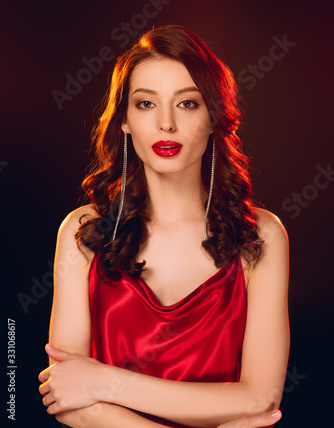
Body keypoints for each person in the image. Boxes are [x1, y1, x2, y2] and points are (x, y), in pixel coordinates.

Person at [38, 25, 290, 428]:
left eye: (187, 104)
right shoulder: (81, 233)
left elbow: (261, 398)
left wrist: (104, 381)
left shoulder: (262, 235)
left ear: (214, 118)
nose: (166, 124)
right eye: (145, 104)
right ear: (123, 120)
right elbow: (69, 399)